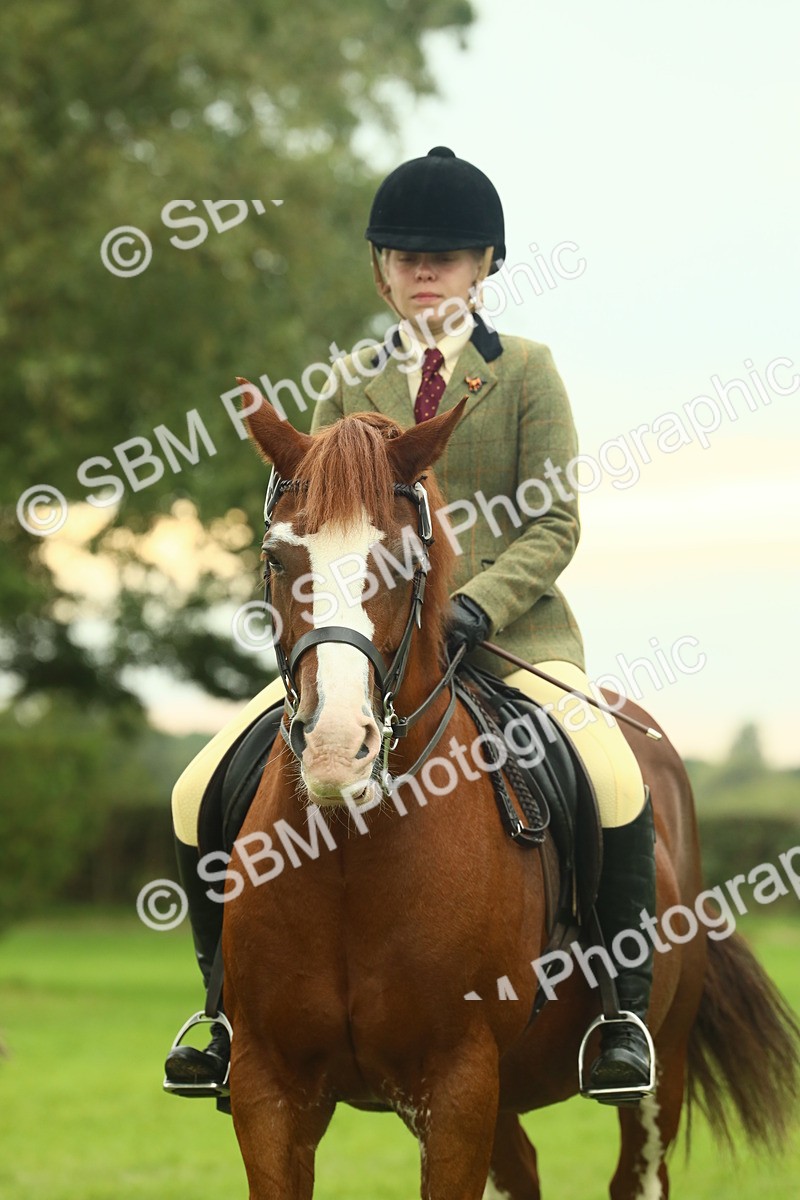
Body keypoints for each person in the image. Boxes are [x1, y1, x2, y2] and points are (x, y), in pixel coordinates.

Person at [163, 147, 656, 1106]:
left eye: (447, 256)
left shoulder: (526, 374)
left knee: (616, 772)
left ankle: (619, 1012)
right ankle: (224, 1015)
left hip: (512, 639)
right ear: (381, 270)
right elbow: (307, 516)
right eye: (404, 256)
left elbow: (554, 519)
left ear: (484, 267)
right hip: (359, 643)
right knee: (196, 786)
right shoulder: (347, 379)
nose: (424, 271)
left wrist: (474, 602)